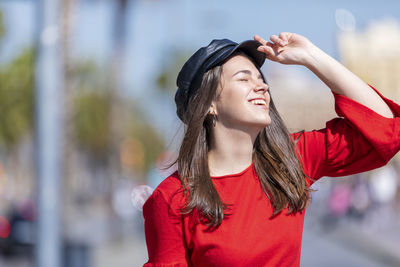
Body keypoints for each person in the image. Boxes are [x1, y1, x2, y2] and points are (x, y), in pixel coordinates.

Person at [142, 32, 400, 267]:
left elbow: (386, 128)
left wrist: (311, 56)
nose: (262, 86)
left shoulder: (290, 160)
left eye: (261, 79)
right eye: (244, 78)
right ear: (209, 104)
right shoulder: (173, 198)